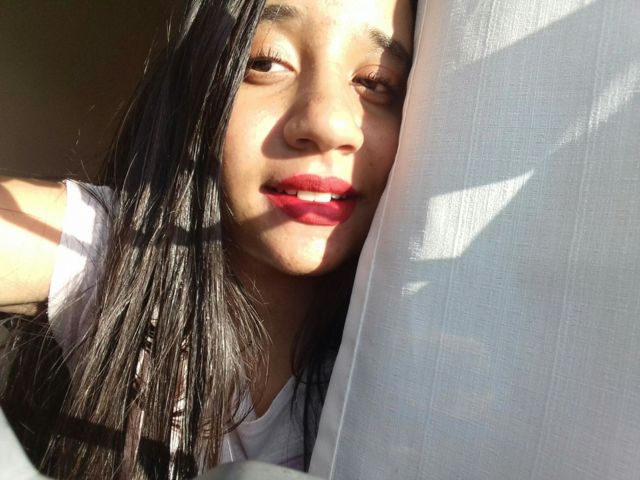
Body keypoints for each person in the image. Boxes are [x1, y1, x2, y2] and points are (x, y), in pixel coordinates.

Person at [0, 0, 415, 478]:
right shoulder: (122, 252)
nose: (327, 124)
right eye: (266, 62)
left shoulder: (432, 353)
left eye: (375, 82)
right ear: (197, 87)